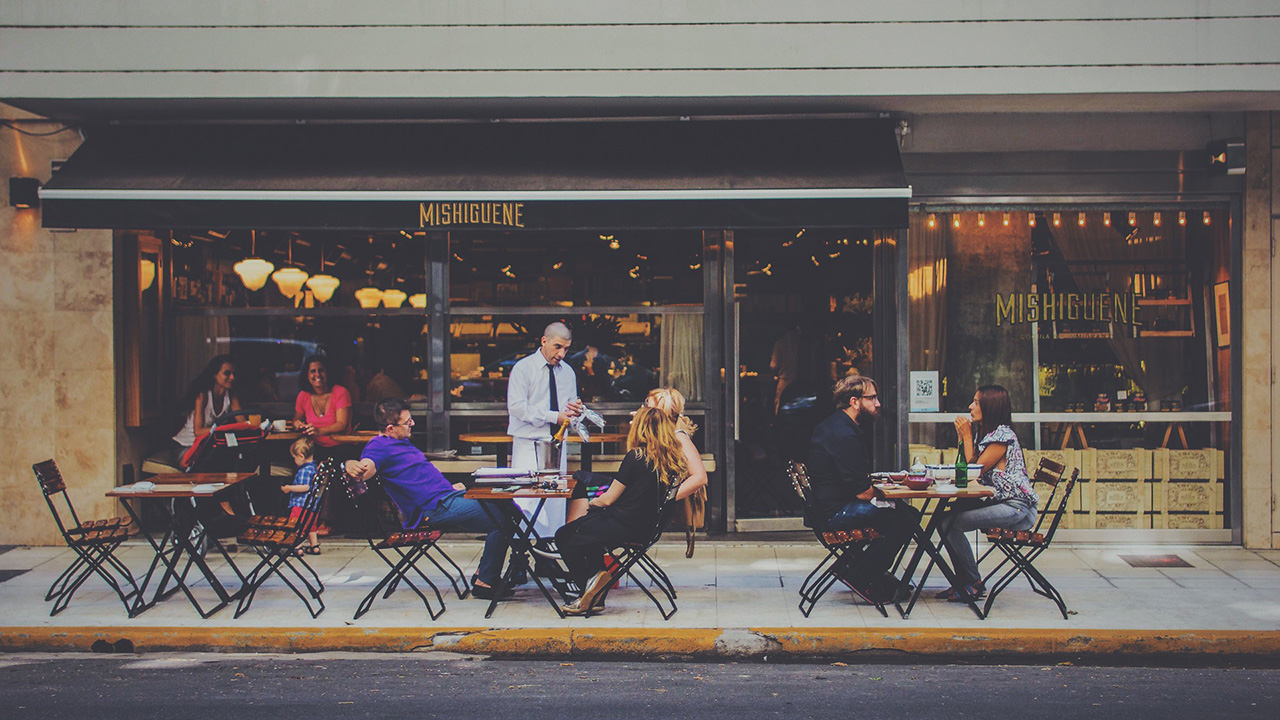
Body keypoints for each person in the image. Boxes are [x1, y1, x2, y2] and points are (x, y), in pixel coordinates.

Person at [345, 398, 514, 600]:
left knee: (509, 508)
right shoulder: (379, 447)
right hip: (434, 509)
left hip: (447, 496)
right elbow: (366, 468)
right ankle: (486, 582)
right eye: (407, 422)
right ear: (390, 428)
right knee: (503, 518)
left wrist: (449, 487)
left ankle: (485, 574)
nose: (412, 424)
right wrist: (351, 464)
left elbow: (418, 477)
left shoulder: (400, 442)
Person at [553, 405, 688, 616]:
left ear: (641, 428)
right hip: (645, 528)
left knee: (564, 535)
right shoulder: (671, 460)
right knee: (588, 536)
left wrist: (592, 503)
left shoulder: (636, 457)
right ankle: (594, 592)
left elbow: (608, 499)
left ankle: (589, 587)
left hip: (623, 525)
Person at [807, 375, 913, 604]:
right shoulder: (843, 433)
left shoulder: (838, 425)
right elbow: (863, 493)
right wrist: (892, 489)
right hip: (837, 513)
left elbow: (857, 480)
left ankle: (858, 567)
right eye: (872, 398)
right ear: (855, 402)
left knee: (903, 513)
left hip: (829, 507)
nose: (878, 404)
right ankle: (863, 575)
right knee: (904, 517)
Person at [938, 384, 1040, 602]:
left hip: (1016, 508)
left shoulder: (1002, 437)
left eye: (976, 402)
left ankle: (971, 582)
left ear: (990, 407)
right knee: (946, 518)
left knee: (949, 524)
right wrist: (965, 438)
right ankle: (962, 581)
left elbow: (974, 472)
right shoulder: (987, 435)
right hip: (1003, 503)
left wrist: (966, 436)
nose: (970, 407)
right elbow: (966, 467)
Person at [507, 322, 583, 535]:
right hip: (528, 443)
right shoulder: (523, 368)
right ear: (544, 341)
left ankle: (547, 558)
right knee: (525, 501)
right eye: (557, 347)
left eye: (566, 349)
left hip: (557, 445)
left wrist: (575, 412)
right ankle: (520, 556)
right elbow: (517, 407)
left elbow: (569, 410)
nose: (562, 354)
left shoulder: (567, 372)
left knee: (555, 503)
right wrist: (554, 416)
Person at [164, 354, 242, 467]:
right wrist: (226, 430)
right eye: (227, 373)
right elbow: (198, 431)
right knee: (207, 464)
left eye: (234, 374)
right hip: (185, 446)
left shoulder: (231, 395)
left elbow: (241, 421)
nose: (232, 378)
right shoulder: (203, 395)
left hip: (205, 447)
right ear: (215, 374)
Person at [292, 355, 352, 449]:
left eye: (321, 370)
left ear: (327, 373)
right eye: (313, 371)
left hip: (340, 446)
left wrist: (319, 431)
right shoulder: (303, 396)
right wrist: (298, 425)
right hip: (313, 448)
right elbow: (296, 420)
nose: (318, 374)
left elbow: (342, 424)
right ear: (307, 376)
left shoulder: (340, 392)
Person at [281, 436, 322, 555]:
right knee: (311, 527)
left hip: (301, 504)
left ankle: (297, 546)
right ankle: (314, 546)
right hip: (313, 506)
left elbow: (305, 487)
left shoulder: (305, 470)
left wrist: (289, 488)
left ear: (301, 456)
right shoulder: (314, 468)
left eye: (294, 458)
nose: (294, 461)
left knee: (296, 526)